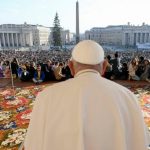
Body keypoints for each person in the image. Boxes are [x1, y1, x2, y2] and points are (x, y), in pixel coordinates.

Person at [22, 40, 149, 150]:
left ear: (70, 67)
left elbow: (31, 144)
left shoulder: (45, 97)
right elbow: (141, 143)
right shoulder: (128, 97)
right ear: (104, 66)